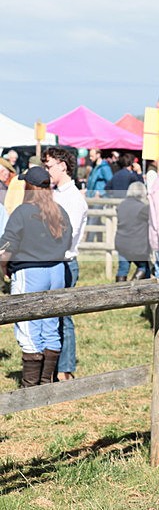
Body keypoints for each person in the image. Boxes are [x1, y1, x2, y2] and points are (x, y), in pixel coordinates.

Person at [0, 166, 72, 386]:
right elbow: (68, 241)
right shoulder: (60, 210)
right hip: (57, 270)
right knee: (51, 324)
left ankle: (30, 386)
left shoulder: (22, 212)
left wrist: (3, 267)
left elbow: (7, 245)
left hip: (30, 270)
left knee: (28, 324)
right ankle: (46, 380)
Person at [42, 147, 88, 380]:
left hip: (64, 261)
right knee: (49, 315)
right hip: (49, 261)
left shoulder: (73, 199)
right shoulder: (53, 193)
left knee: (63, 316)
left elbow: (66, 235)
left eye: (49, 166)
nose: (46, 170)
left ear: (62, 165)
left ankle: (65, 368)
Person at [115, 182, 151, 281]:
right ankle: (134, 286)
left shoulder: (121, 205)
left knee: (122, 269)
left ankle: (119, 292)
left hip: (121, 243)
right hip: (137, 246)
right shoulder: (143, 208)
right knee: (143, 268)